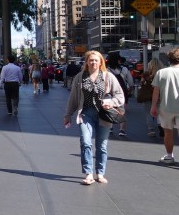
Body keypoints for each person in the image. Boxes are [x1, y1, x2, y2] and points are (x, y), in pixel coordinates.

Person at [63, 51, 125, 185]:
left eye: (96, 60)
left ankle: (100, 173)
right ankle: (89, 173)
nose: (94, 63)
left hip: (104, 115)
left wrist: (111, 103)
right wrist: (68, 114)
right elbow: (73, 98)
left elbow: (120, 96)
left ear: (101, 62)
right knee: (86, 142)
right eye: (91, 60)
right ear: (86, 62)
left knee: (101, 145)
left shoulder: (108, 77)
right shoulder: (79, 77)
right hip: (86, 113)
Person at [151, 48, 179, 164]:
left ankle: (169, 156)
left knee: (168, 132)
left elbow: (156, 91)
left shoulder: (161, 72)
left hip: (166, 107)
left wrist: (153, 106)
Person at [106, 56, 133, 137]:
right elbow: (130, 82)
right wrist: (130, 90)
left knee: (110, 109)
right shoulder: (124, 69)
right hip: (122, 92)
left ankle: (110, 127)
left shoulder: (106, 70)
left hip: (110, 92)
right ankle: (122, 130)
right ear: (118, 60)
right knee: (121, 110)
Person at [139, 57, 163, 137]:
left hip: (148, 96)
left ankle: (151, 130)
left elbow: (142, 83)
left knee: (149, 113)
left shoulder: (146, 74)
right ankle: (160, 125)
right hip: (160, 95)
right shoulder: (162, 73)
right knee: (160, 112)